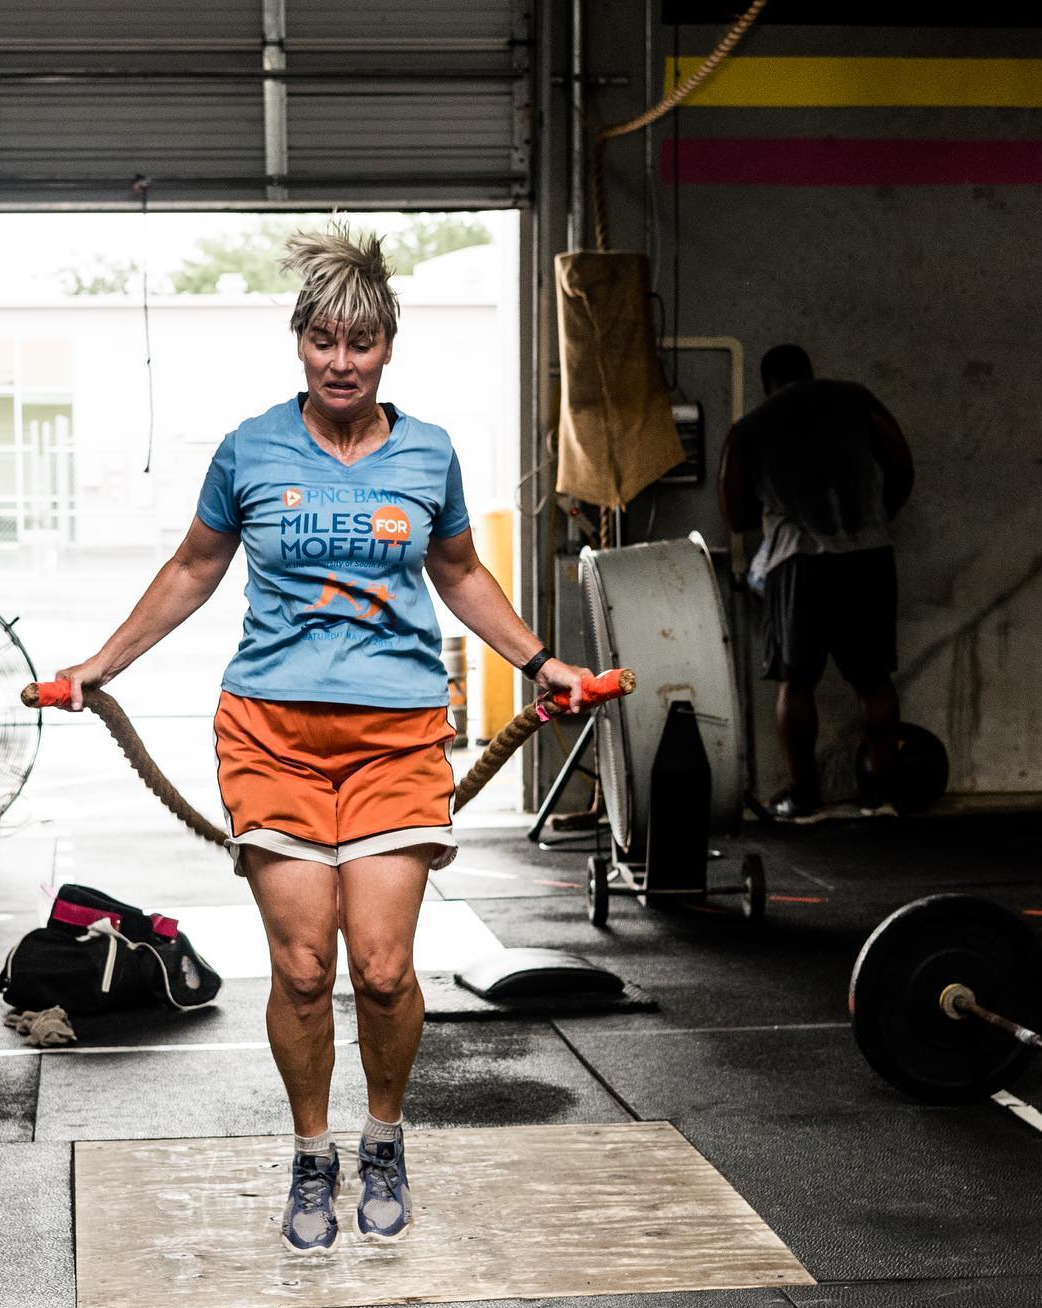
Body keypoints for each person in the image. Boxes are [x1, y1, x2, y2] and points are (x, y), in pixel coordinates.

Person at [55, 225, 595, 1255]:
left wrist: (539, 662)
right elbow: (193, 567)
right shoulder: (250, 450)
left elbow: (459, 572)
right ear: (299, 341)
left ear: (388, 346)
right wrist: (100, 665)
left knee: (383, 969)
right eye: (324, 341)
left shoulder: (427, 452)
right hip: (271, 735)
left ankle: (383, 1137)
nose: (341, 362)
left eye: (362, 342)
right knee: (304, 969)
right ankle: (313, 1153)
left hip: (397, 736)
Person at [718, 343, 914, 820]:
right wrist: (874, 517)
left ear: (767, 384)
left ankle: (804, 796)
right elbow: (901, 465)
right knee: (874, 681)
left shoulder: (750, 427)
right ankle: (882, 795)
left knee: (797, 682)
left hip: (798, 560)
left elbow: (735, 512)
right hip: (867, 553)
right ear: (809, 372)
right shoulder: (855, 399)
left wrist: (778, 510)